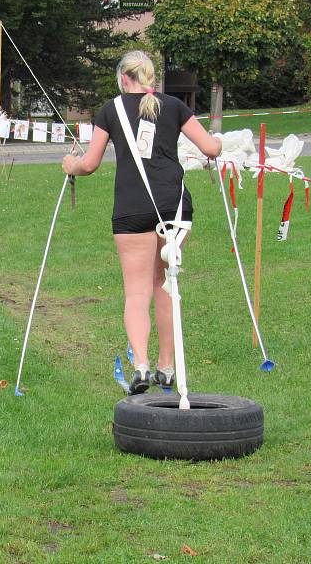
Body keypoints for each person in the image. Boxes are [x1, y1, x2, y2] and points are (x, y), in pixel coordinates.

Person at [62, 51, 221, 394]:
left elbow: (88, 165)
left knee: (136, 292)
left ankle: (142, 367)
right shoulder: (174, 106)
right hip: (174, 207)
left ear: (123, 78)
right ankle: (167, 367)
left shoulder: (111, 109)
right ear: (151, 78)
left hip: (133, 207)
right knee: (166, 284)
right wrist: (220, 144)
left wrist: (69, 165)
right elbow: (210, 147)